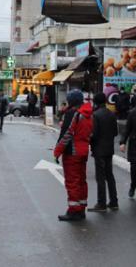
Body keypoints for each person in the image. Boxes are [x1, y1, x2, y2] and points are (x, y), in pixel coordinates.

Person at [53, 90, 94, 221]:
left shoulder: (72, 114)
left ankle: (73, 211)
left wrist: (57, 152)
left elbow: (67, 134)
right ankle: (81, 208)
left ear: (71, 101)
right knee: (81, 181)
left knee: (72, 182)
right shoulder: (88, 114)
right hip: (83, 151)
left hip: (72, 152)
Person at [89, 93, 119, 212]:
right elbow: (116, 132)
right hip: (109, 148)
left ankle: (101, 203)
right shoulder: (111, 114)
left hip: (99, 149)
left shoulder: (95, 115)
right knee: (109, 175)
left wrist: (89, 140)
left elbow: (94, 134)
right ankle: (114, 201)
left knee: (100, 177)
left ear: (95, 102)